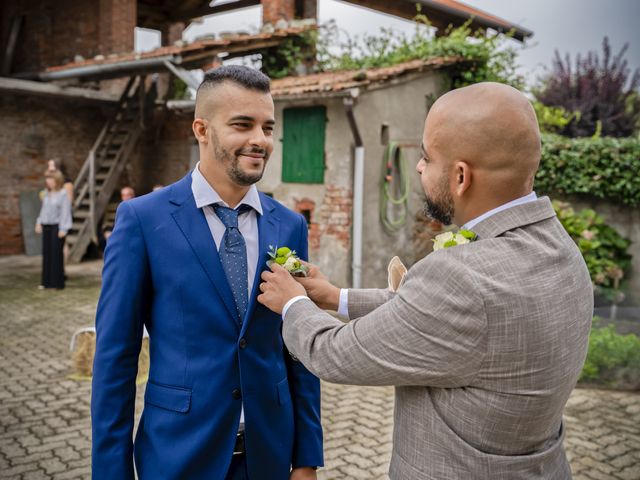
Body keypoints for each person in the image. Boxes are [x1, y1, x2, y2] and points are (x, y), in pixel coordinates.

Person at [258, 82, 593, 479]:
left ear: (461, 176)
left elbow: (333, 353)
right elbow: (444, 322)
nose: (418, 167)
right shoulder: (563, 251)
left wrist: (292, 302)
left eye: (426, 157)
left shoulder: (462, 277)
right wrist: (336, 297)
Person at [92, 66, 323, 480]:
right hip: (178, 454)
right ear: (201, 128)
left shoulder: (289, 226)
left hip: (269, 456)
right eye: (242, 125)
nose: (260, 140)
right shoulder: (142, 220)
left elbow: (298, 350)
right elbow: (115, 359)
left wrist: (306, 457)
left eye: (268, 127)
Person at [35, 169, 72, 289]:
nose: (49, 181)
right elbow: (43, 210)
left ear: (58, 180)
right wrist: (39, 222)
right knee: (47, 254)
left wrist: (63, 229)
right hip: (46, 226)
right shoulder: (46, 193)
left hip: (57, 228)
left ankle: (58, 283)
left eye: (51, 179)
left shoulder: (63, 194)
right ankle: (46, 282)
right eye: (47, 179)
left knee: (56, 255)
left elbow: (65, 212)